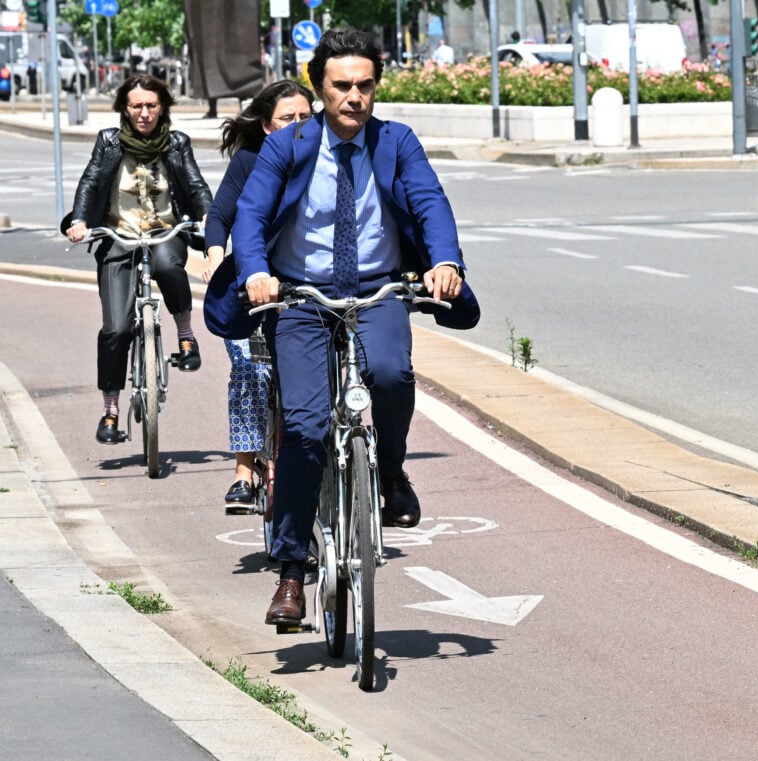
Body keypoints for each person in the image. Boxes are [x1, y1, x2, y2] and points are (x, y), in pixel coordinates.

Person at [231, 28, 467, 626]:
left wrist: (443, 262)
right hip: (302, 296)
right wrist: (256, 273)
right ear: (320, 87)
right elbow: (251, 216)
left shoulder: (396, 142)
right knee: (306, 429)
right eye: (342, 86)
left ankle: (389, 471)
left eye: (365, 85)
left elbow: (430, 202)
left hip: (376, 287)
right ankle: (290, 571)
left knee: (390, 375)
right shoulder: (288, 147)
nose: (355, 97)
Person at [64, 73, 211, 445]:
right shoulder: (109, 142)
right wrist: (80, 220)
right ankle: (111, 411)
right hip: (119, 236)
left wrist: (208, 215)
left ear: (162, 107)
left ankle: (185, 335)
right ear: (124, 110)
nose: (144, 113)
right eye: (136, 106)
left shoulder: (177, 143)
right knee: (116, 329)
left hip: (165, 232)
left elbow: (194, 185)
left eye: (151, 105)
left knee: (166, 265)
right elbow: (92, 181)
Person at [203, 80, 315, 510]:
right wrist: (216, 253)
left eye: (307, 117)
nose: (299, 126)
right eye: (289, 118)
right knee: (250, 369)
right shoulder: (249, 162)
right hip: (255, 288)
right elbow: (222, 215)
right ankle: (245, 470)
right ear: (267, 126)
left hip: (309, 289)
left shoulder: (328, 158)